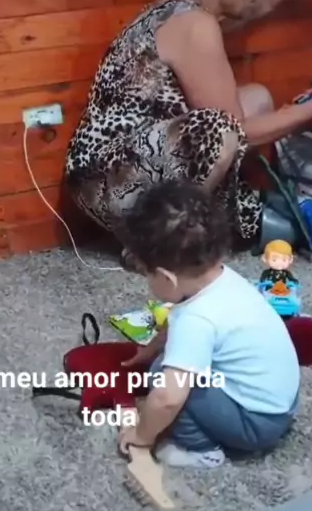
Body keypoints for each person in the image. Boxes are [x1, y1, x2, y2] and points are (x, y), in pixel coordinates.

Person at [65, 0, 312, 267]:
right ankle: (158, 245)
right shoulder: (193, 25)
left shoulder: (183, 5)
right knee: (221, 131)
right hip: (109, 180)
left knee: (256, 99)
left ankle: (196, 220)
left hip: (120, 163)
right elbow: (235, 131)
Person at [117, 179, 300, 469]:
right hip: (282, 403)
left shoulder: (196, 319)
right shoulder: (222, 279)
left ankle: (202, 450)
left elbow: (168, 398)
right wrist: (150, 349)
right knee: (165, 364)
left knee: (162, 378)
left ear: (167, 278)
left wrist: (141, 435)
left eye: (146, 275)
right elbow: (174, 323)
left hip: (256, 423)